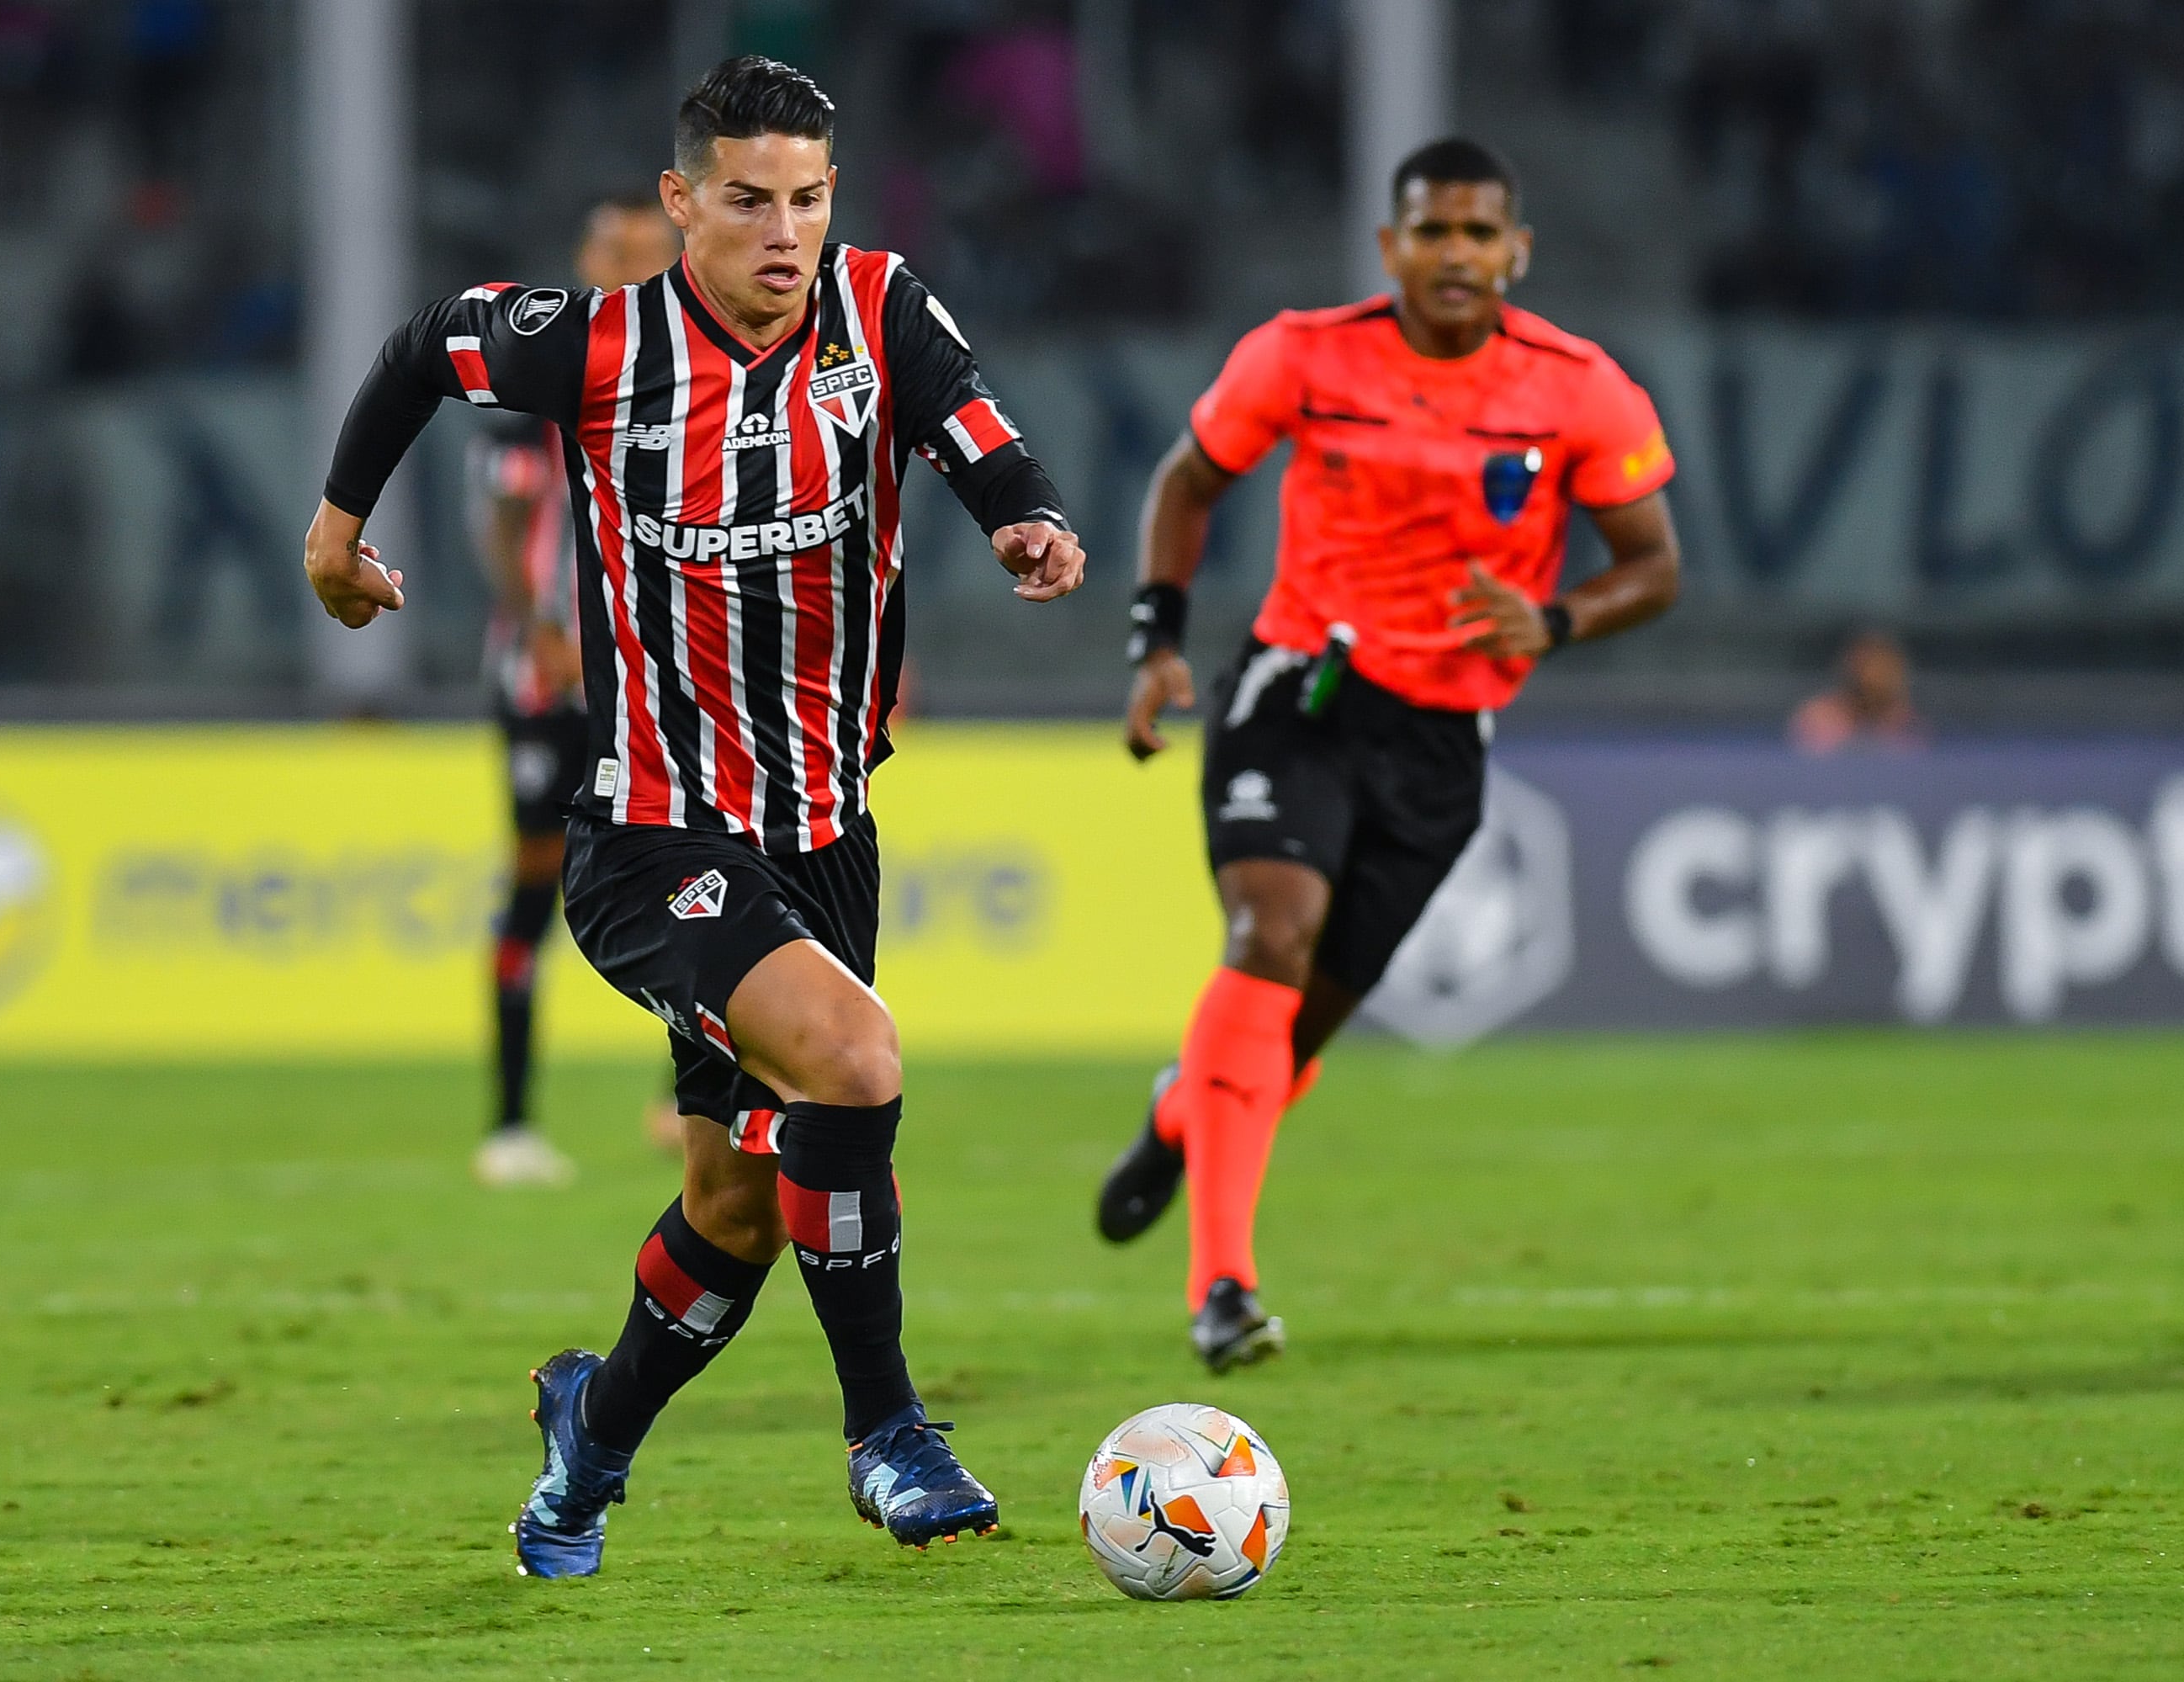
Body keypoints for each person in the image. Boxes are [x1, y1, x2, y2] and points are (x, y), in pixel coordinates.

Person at [302, 56, 1084, 1576]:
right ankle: (889, 1432)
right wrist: (338, 541)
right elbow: (415, 350)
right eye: (746, 200)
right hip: (652, 834)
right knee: (855, 1064)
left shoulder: (880, 311)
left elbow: (976, 430)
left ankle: (586, 1439)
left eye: (806, 198)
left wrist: (1028, 519)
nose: (781, 232)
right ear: (682, 204)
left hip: (822, 832)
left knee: (736, 1203)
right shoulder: (595, 346)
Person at [1098, 139, 1682, 1371]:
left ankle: (1178, 1114)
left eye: (1479, 233)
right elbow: (1187, 481)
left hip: (1440, 738)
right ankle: (1224, 1285)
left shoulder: (1580, 390)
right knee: (1269, 936)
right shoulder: (1305, 354)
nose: (1455, 254)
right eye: (1432, 231)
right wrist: (1157, 639)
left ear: (1517, 250)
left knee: (1296, 1032)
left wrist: (1561, 618)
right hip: (1299, 690)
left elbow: (1654, 565)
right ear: (1392, 247)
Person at [472, 194, 685, 1190]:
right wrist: (546, 630)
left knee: (701, 867)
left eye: (644, 249)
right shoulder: (541, 371)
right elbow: (509, 523)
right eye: (609, 245)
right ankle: (510, 1122)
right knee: (532, 884)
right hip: (551, 679)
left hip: (659, 674)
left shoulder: (700, 376)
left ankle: (686, 1097)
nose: (625, 261)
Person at [1789, 628, 1926, 754]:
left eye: (1884, 668)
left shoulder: (1910, 725)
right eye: (1866, 666)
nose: (1874, 677)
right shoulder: (1816, 718)